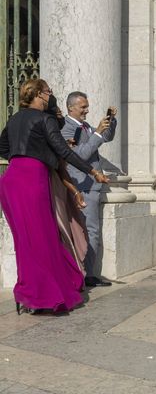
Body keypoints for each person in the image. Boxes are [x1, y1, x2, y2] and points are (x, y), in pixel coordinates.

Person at [0, 79, 108, 313]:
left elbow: (3, 147)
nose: (50, 96)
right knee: (44, 238)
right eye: (48, 92)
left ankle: (26, 293)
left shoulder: (15, 118)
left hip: (11, 181)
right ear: (38, 94)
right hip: (32, 179)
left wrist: (23, 157)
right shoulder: (45, 118)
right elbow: (64, 152)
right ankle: (44, 296)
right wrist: (92, 170)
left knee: (26, 242)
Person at [61, 91, 117, 287]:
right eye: (83, 107)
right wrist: (98, 133)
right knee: (87, 231)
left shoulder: (84, 126)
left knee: (91, 230)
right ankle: (86, 274)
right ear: (71, 108)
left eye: (87, 106)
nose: (87, 110)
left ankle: (87, 273)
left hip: (91, 186)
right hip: (81, 185)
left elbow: (106, 138)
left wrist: (111, 121)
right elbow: (80, 156)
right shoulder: (66, 129)